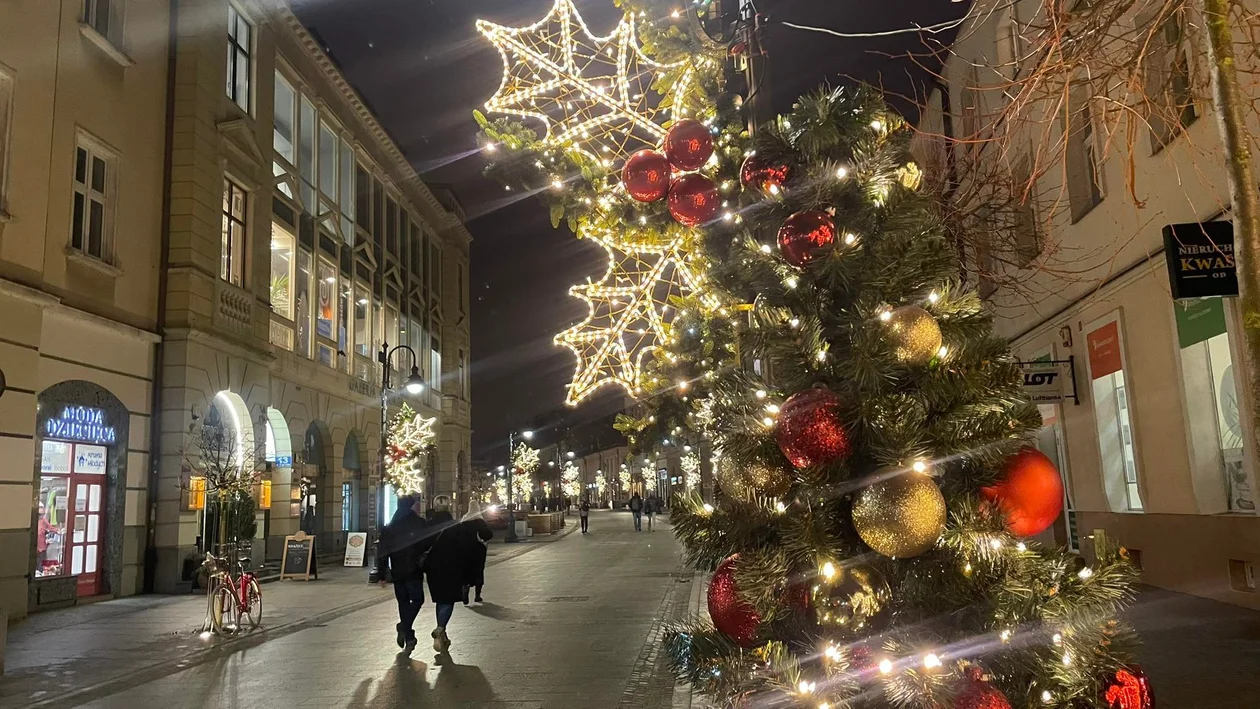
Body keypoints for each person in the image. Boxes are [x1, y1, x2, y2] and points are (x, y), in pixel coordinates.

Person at [378, 495, 427, 652]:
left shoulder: (390, 527)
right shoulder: (419, 523)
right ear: (412, 506)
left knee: (403, 603)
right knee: (418, 600)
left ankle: (409, 636)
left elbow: (382, 552)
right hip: (414, 569)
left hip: (397, 571)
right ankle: (404, 628)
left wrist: (381, 574)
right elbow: (426, 545)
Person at [418, 498, 464, 652]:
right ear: (448, 506)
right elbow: (462, 548)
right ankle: (440, 628)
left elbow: (422, 545)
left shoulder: (428, 525)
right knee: (448, 600)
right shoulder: (456, 525)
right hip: (452, 567)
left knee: (440, 600)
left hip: (433, 569)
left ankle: (442, 636)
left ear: (435, 507)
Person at [461, 500, 494, 604]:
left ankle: (465, 589)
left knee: (466, 570)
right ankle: (477, 595)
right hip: (478, 549)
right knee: (479, 571)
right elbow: (488, 535)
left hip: (465, 549)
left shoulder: (464, 520)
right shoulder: (480, 521)